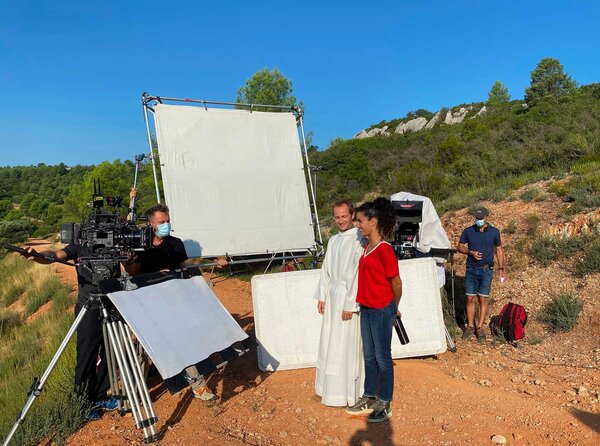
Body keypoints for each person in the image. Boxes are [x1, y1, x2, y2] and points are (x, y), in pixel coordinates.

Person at [123, 200, 223, 402]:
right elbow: (130, 272)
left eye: (168, 220)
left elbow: (185, 266)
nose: (166, 224)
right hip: (146, 302)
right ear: (151, 223)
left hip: (174, 301)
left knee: (185, 341)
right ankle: (136, 393)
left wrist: (213, 261)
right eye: (162, 221)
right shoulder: (137, 244)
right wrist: (154, 274)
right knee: (144, 347)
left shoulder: (176, 243)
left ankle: (198, 386)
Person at [20, 245, 117, 419]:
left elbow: (132, 268)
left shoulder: (118, 240)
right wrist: (38, 256)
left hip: (115, 304)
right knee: (87, 355)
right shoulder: (81, 242)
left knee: (113, 352)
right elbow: (56, 255)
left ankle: (100, 396)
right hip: (89, 305)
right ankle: (83, 403)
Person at [346, 197, 402, 423]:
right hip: (367, 308)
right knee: (369, 355)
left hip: (381, 309)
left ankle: (385, 401)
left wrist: (392, 309)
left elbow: (396, 283)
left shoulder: (384, 249)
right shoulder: (368, 246)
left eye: (360, 221)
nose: (357, 225)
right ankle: (369, 397)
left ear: (374, 222)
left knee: (382, 357)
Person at [314, 200, 366, 407]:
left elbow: (357, 274)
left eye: (344, 216)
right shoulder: (333, 241)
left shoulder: (359, 239)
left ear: (352, 215)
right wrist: (323, 296)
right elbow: (326, 269)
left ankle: (347, 392)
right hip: (333, 296)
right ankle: (327, 388)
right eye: (337, 217)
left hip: (347, 298)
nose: (341, 220)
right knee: (329, 340)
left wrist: (350, 304)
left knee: (346, 343)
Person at [457, 206, 506, 342]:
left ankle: (479, 327)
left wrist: (501, 269)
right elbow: (459, 247)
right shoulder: (468, 231)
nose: (478, 220)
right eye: (476, 218)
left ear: (486, 217)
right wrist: (470, 252)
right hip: (471, 269)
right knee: (470, 299)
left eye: (481, 218)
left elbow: (499, 250)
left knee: (483, 299)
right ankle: (470, 326)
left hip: (486, 270)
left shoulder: (494, 232)